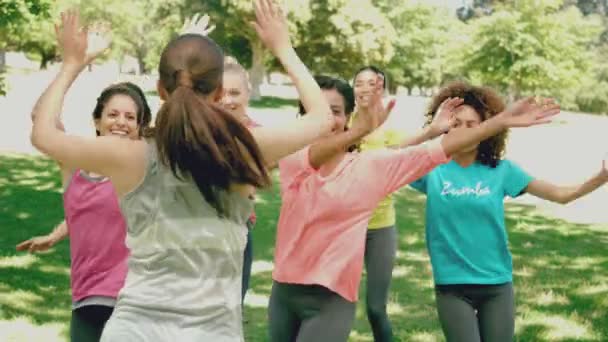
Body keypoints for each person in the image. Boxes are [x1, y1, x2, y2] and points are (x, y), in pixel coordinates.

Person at [29, 1, 338, 340]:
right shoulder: (244, 149)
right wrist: (283, 47)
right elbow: (322, 118)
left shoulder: (129, 155)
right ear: (219, 92)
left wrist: (72, 63)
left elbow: (43, 134)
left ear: (161, 90)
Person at [268, 74, 560, 342]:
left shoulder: (367, 170)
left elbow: (424, 153)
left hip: (331, 297)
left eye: (333, 111)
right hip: (282, 293)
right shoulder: (293, 161)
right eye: (313, 113)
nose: (323, 121)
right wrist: (359, 132)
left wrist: (499, 121)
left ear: (346, 117)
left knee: (376, 309)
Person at [408, 81, 608, 342]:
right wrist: (429, 132)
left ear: (486, 129)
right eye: (456, 124)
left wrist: (601, 177)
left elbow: (561, 195)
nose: (464, 131)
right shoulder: (431, 168)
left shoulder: (502, 171)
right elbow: (386, 159)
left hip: (496, 285)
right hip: (452, 287)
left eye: (472, 124)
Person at [17, 81, 152, 342]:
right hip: (86, 295)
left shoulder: (141, 170)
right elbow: (40, 118)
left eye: (130, 117)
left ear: (139, 128)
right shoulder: (74, 166)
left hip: (131, 297)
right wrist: (71, 66)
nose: (121, 122)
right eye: (113, 114)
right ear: (97, 121)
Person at [350, 65, 403, 341]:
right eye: (360, 83)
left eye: (373, 83)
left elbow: (403, 163)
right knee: (335, 303)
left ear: (382, 89)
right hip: (345, 227)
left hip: (381, 227)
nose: (365, 88)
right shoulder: (345, 124)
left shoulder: (390, 130)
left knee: (375, 308)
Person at [222, 57, 260, 305]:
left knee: (232, 309)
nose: (227, 100)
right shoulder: (195, 129)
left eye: (235, 92)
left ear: (247, 94)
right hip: (194, 230)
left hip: (238, 229)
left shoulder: (259, 135)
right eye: (221, 92)